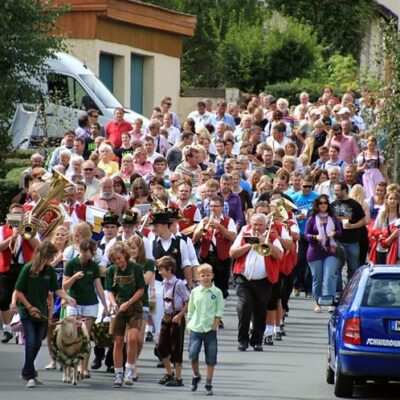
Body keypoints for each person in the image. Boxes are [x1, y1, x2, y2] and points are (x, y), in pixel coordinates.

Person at [11, 241, 76, 388]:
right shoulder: (28, 269)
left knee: (39, 341)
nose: (51, 259)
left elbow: (55, 289)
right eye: (50, 256)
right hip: (27, 311)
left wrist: (67, 297)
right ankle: (31, 376)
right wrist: (29, 307)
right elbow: (18, 290)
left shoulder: (49, 271)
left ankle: (26, 370)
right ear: (44, 255)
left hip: (42, 311)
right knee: (31, 341)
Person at [230, 213, 283, 352]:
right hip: (243, 278)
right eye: (255, 224)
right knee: (244, 307)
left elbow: (279, 255)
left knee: (260, 310)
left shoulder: (271, 237)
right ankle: (242, 340)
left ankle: (257, 341)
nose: (257, 227)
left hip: (263, 281)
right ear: (250, 224)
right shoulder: (244, 234)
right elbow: (232, 253)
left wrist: (266, 243)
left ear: (265, 225)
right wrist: (249, 244)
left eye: (260, 225)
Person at [63, 239, 108, 378]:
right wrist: (74, 278)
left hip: (90, 303)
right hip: (74, 302)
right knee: (73, 336)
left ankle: (84, 367)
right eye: (91, 252)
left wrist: (105, 305)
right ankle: (74, 364)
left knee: (86, 336)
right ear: (83, 251)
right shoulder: (71, 264)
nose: (93, 254)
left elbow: (99, 287)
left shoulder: (93, 266)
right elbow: (64, 286)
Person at [105, 242, 145, 387]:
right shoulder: (111, 270)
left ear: (125, 255)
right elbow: (109, 290)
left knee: (133, 338)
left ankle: (129, 371)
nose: (118, 261)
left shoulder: (136, 268)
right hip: (118, 307)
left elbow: (141, 290)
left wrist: (128, 303)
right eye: (115, 259)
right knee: (118, 341)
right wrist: (114, 303)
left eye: (120, 258)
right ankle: (118, 373)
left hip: (134, 307)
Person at [0, 203, 39, 344]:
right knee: (4, 299)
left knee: (21, 298)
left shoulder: (30, 228)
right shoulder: (2, 229)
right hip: (7, 267)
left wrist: (26, 235)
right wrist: (13, 237)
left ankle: (19, 328)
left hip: (24, 267)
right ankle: (7, 329)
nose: (17, 216)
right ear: (8, 217)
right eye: (14, 214)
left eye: (19, 214)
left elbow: (38, 247)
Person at [187, 263, 224, 396]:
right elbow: (191, 310)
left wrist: (215, 324)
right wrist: (189, 324)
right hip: (196, 328)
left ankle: (208, 382)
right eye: (203, 275)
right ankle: (196, 375)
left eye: (208, 275)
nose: (206, 278)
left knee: (211, 357)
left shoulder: (217, 292)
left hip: (210, 330)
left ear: (212, 276)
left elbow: (219, 310)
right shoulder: (195, 292)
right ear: (198, 277)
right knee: (193, 354)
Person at [193, 196, 236, 299]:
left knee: (222, 286)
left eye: (216, 206)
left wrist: (220, 227)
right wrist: (202, 227)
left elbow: (232, 237)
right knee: (205, 283)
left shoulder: (229, 221)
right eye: (211, 206)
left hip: (222, 257)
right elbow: (195, 238)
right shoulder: (205, 220)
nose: (213, 209)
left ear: (222, 207)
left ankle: (219, 308)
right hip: (206, 255)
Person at [156, 256, 189, 387]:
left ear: (169, 270)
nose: (159, 272)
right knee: (161, 346)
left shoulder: (179, 284)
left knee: (176, 347)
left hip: (176, 317)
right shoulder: (164, 283)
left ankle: (179, 377)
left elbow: (188, 302)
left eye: (161, 270)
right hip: (167, 316)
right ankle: (169, 373)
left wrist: (180, 315)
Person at [305, 195, 342, 313]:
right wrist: (315, 237)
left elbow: (340, 232)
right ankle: (318, 303)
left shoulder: (333, 218)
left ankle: (331, 303)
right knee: (317, 278)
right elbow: (306, 235)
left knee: (330, 276)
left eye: (325, 203)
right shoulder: (312, 219)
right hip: (315, 252)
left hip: (331, 250)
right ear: (317, 205)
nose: (323, 205)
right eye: (320, 203)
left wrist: (334, 233)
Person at [127, 234, 155, 380]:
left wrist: (133, 271)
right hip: (127, 304)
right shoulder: (123, 263)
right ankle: (132, 367)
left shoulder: (149, 263)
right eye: (130, 248)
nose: (132, 251)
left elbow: (145, 280)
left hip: (142, 303)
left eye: (134, 248)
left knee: (139, 339)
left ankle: (133, 361)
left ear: (140, 249)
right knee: (131, 338)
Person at [332, 182, 366, 292]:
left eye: (337, 190)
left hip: (352, 241)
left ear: (344, 190)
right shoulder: (333, 205)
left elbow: (363, 220)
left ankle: (351, 291)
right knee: (336, 268)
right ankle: (338, 292)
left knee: (353, 268)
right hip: (337, 241)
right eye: (335, 190)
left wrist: (352, 226)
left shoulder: (355, 204)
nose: (335, 192)